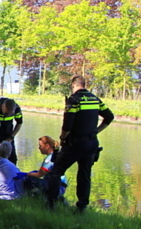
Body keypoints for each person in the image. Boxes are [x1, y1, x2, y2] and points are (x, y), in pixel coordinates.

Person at [46, 76, 114, 213]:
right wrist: (96, 131)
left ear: (73, 85)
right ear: (84, 85)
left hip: (74, 143)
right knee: (84, 174)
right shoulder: (95, 99)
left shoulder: (74, 100)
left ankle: (51, 204)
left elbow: (68, 122)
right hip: (91, 143)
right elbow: (109, 116)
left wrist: (63, 137)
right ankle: (81, 206)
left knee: (56, 172)